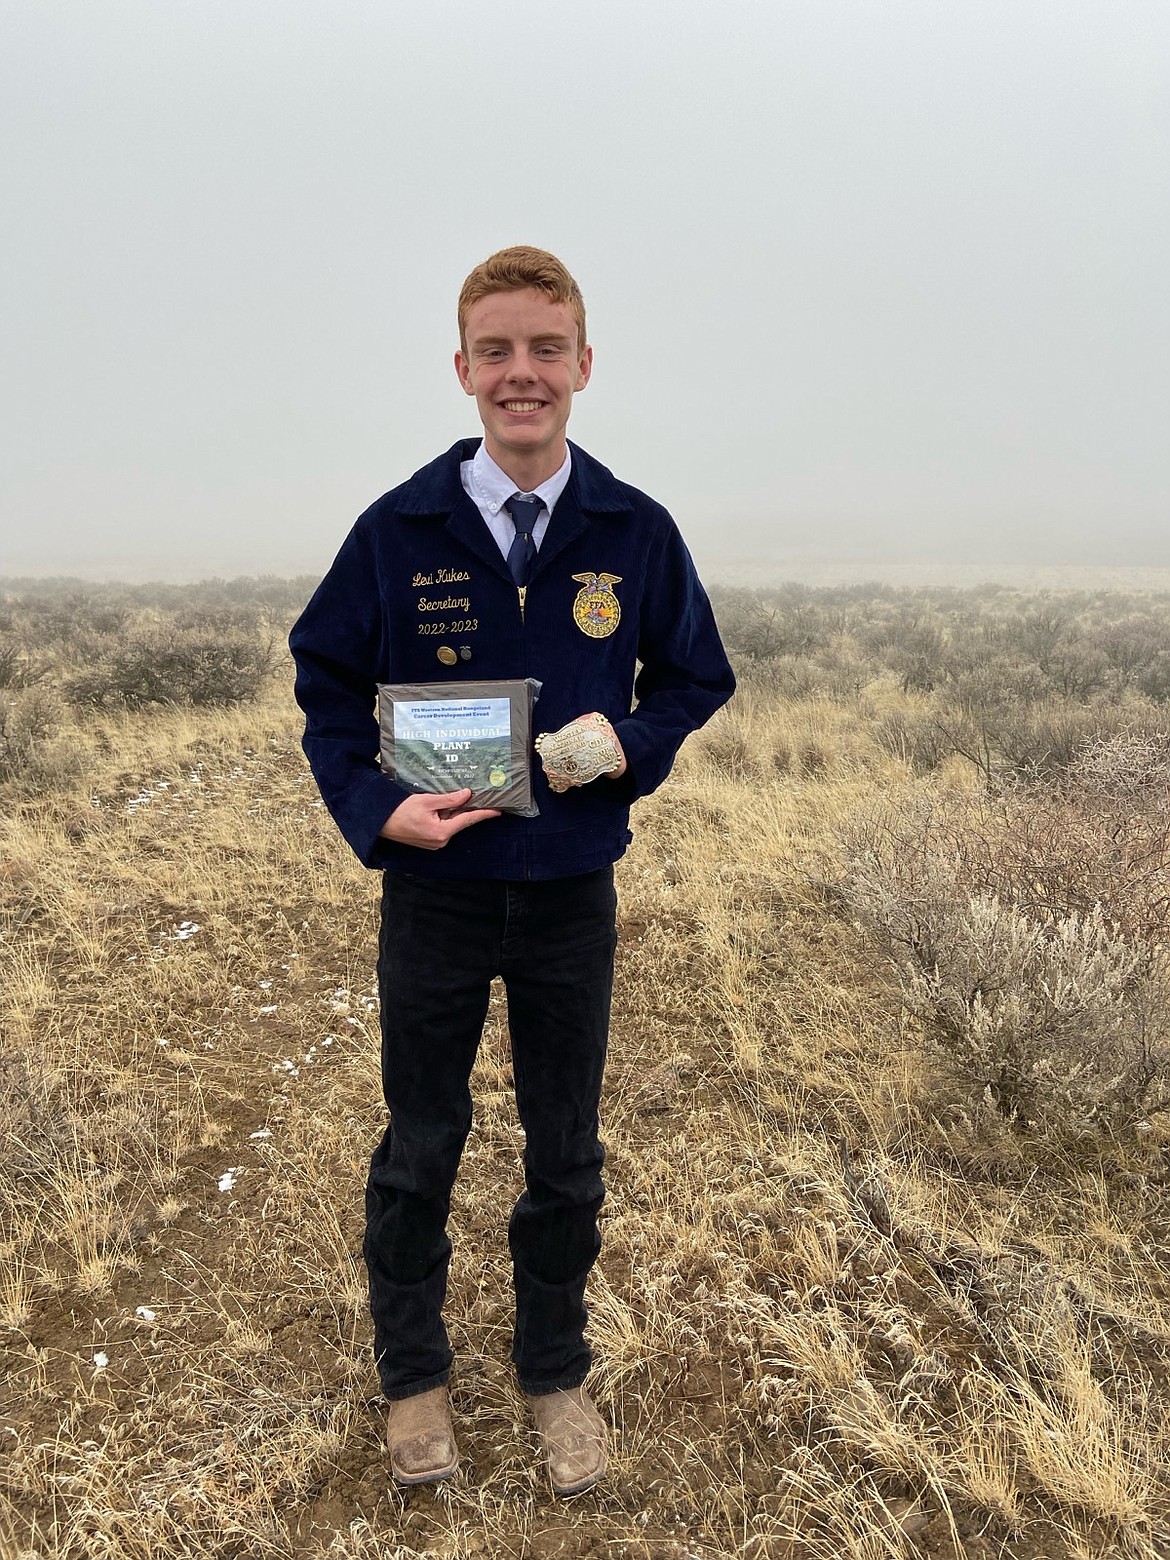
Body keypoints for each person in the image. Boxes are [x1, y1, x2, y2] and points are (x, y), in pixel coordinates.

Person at [289, 246, 734, 1496]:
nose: (521, 374)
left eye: (547, 350)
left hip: (568, 896)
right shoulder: (398, 529)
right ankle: (414, 1372)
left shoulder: (633, 532)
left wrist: (629, 743)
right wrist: (377, 811)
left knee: (566, 1146)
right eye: (498, 351)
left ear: (584, 366)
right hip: (432, 895)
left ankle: (553, 1370)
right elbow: (324, 681)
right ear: (463, 368)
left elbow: (699, 677)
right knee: (421, 1136)